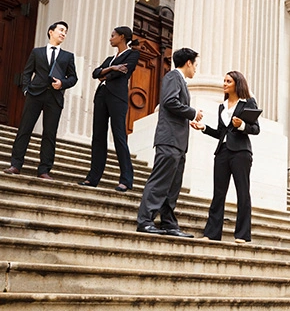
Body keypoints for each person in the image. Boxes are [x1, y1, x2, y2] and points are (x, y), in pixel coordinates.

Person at [136, 47, 203, 237]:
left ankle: (168, 223)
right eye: (195, 65)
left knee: (173, 186)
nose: (196, 69)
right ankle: (145, 221)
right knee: (160, 182)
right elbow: (170, 102)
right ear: (188, 63)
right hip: (169, 139)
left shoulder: (180, 80)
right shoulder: (173, 77)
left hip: (179, 142)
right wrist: (193, 113)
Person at [191, 71, 260, 243]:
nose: (224, 83)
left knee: (242, 192)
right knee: (218, 193)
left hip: (241, 153)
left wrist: (242, 125)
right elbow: (221, 132)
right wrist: (203, 127)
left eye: (228, 81)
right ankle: (212, 233)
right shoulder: (222, 106)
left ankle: (243, 235)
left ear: (237, 83)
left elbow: (256, 128)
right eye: (224, 81)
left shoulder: (248, 102)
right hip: (222, 152)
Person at [4, 21, 78, 180]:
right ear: (51, 31)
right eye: (61, 30)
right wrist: (26, 89)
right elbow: (27, 72)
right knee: (25, 129)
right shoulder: (37, 52)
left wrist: (62, 83)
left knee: (49, 134)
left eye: (66, 31)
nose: (63, 33)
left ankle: (44, 170)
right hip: (35, 95)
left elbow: (73, 78)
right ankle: (16, 165)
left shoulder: (68, 56)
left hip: (55, 98)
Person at [78, 26, 140, 191]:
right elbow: (95, 73)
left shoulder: (133, 54)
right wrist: (112, 68)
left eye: (113, 36)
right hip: (101, 96)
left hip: (117, 98)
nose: (110, 38)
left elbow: (124, 72)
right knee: (98, 136)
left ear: (122, 37)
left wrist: (106, 74)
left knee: (119, 135)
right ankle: (93, 178)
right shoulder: (109, 59)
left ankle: (126, 180)